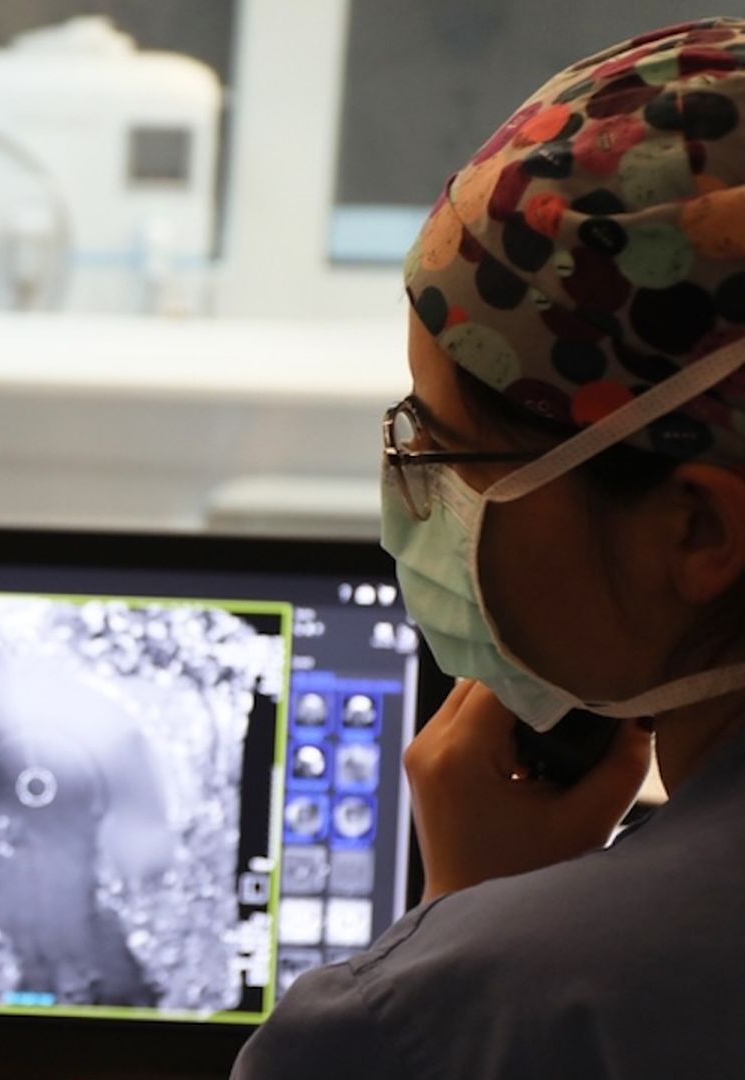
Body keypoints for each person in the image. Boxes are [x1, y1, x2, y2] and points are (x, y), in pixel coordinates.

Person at [236, 18, 745, 1078]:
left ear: (698, 529)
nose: (414, 486)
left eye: (440, 444)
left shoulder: (435, 1028)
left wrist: (464, 943)